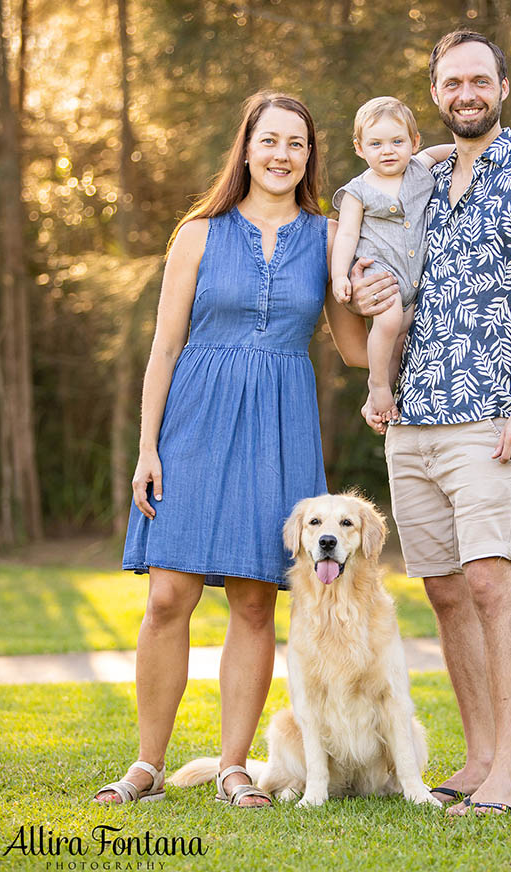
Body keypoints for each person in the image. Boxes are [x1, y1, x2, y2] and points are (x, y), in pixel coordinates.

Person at [93, 91, 367, 809]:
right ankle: (147, 765)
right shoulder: (199, 233)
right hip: (194, 420)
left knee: (252, 603)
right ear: (245, 148)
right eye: (269, 140)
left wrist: (386, 297)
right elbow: (165, 346)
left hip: (280, 420)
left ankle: (234, 767)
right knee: (166, 596)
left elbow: (352, 348)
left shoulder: (328, 233)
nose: (282, 155)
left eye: (297, 144)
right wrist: (147, 446)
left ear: (310, 157)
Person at [352, 31, 511, 816]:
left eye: (479, 79)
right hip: (413, 417)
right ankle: (478, 757)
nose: (465, 92)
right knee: (444, 590)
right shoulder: (420, 180)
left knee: (489, 581)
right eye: (451, 82)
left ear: (503, 88)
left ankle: (510, 774)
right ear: (436, 94)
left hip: (489, 416)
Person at [331, 97, 452, 422]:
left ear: (414, 142)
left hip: (415, 281)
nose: (387, 150)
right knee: (387, 323)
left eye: (397, 141)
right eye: (376, 143)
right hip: (381, 276)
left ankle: (383, 402)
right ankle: (377, 385)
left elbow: (443, 152)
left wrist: (467, 152)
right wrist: (340, 275)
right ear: (360, 148)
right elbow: (346, 236)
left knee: (399, 344)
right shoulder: (358, 191)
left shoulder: (419, 167)